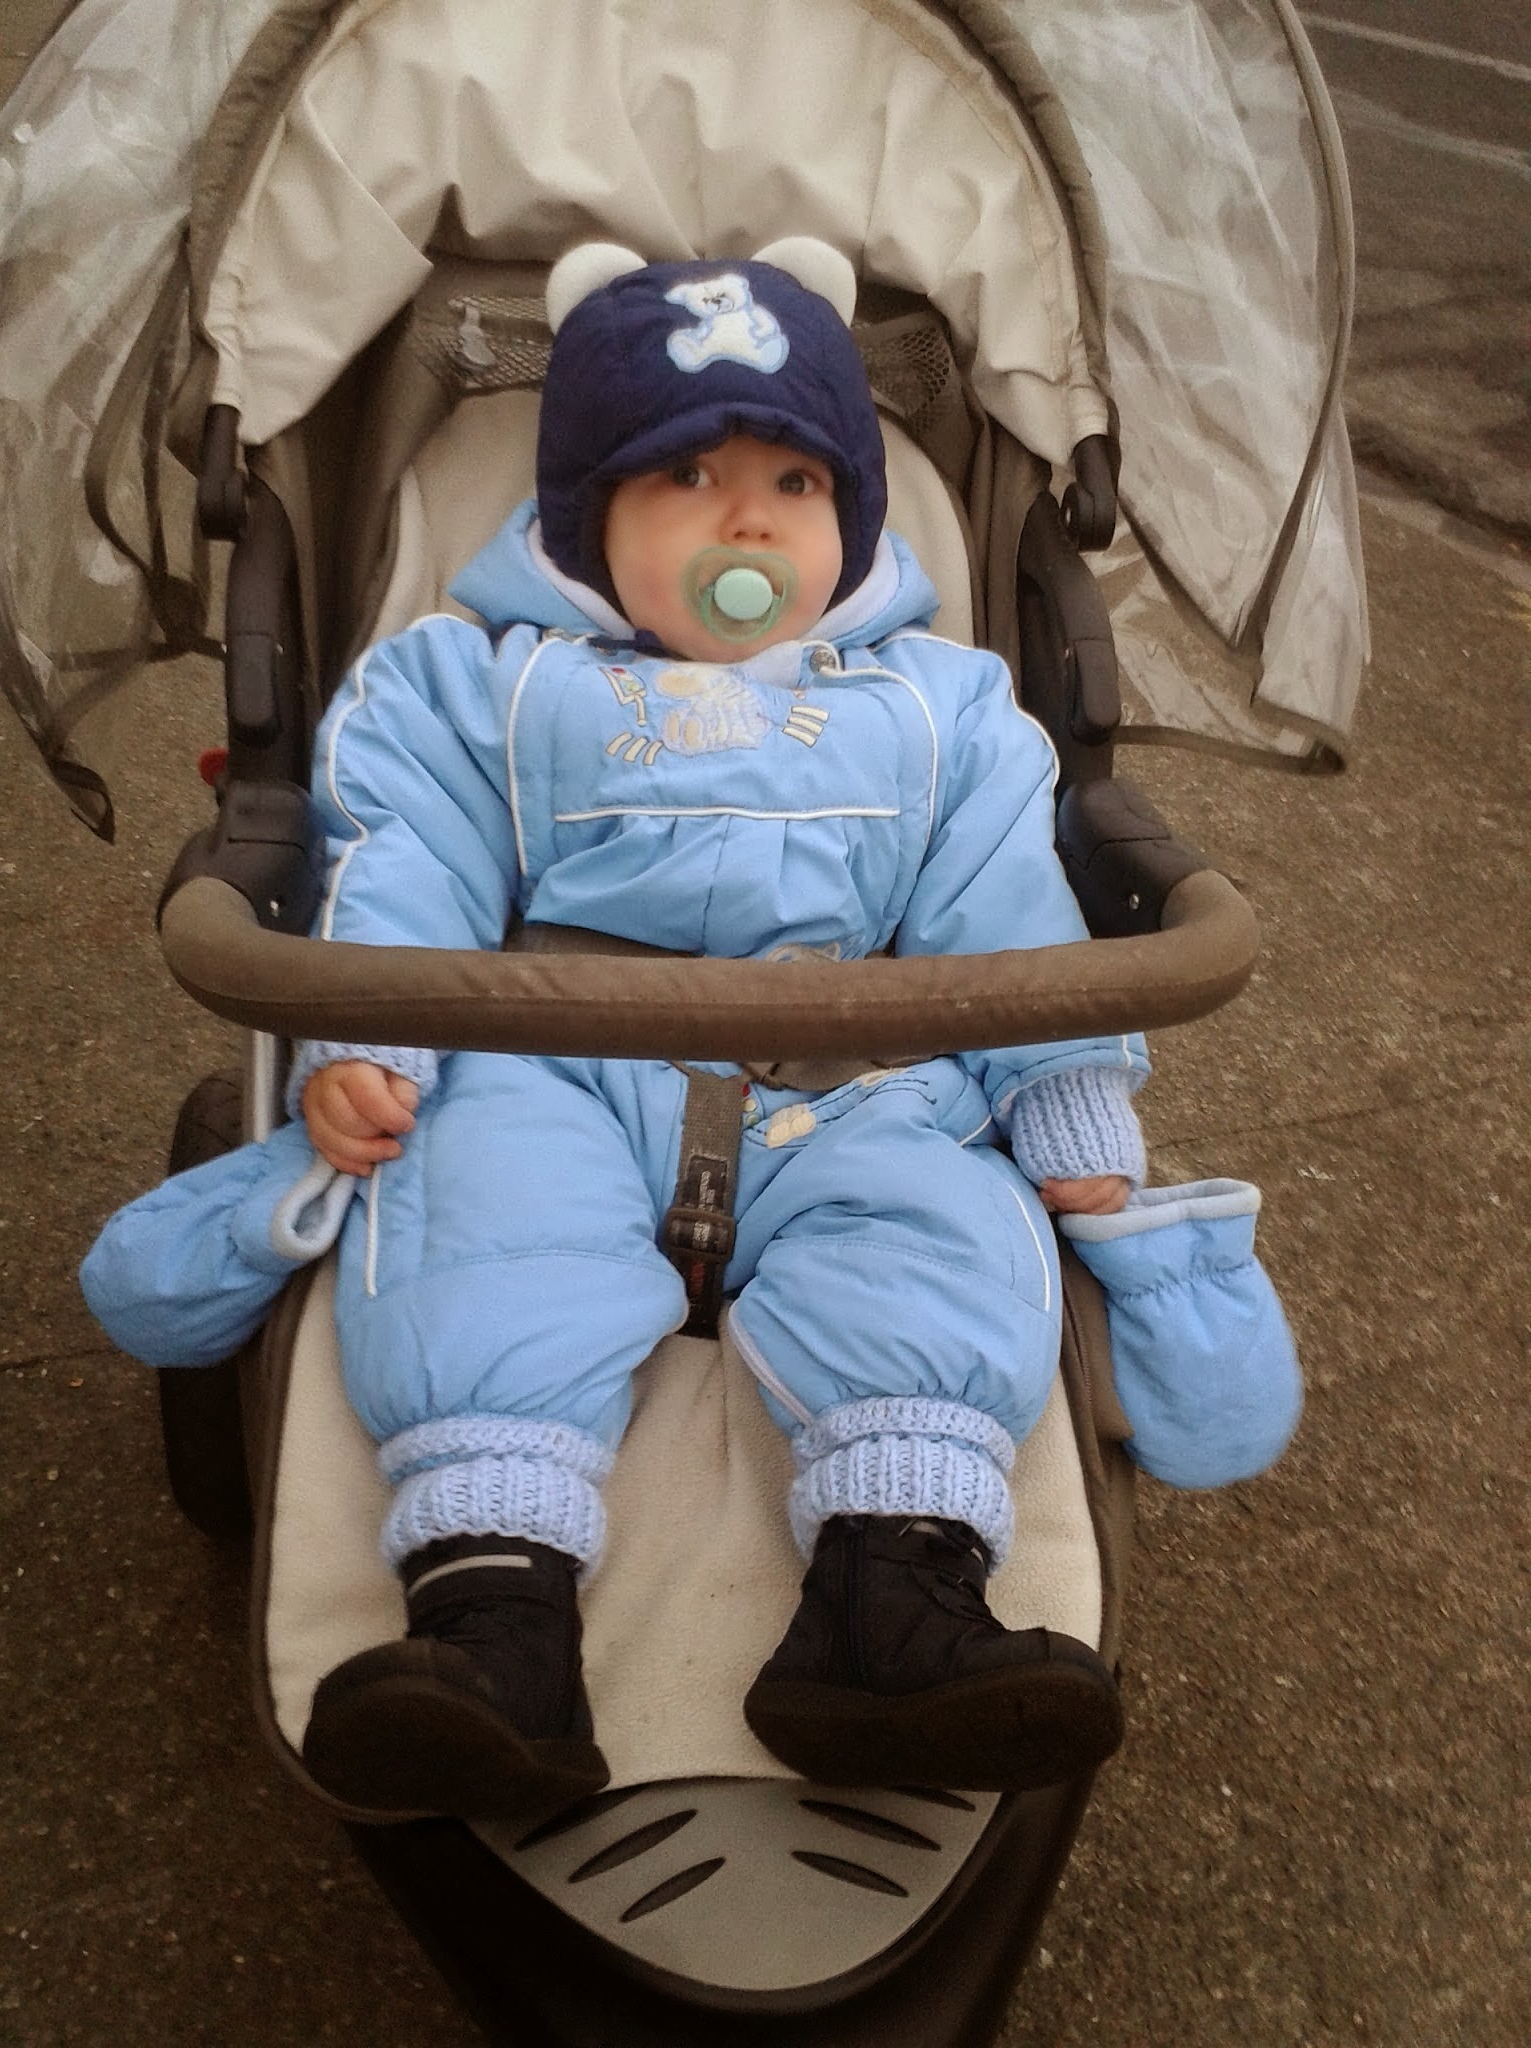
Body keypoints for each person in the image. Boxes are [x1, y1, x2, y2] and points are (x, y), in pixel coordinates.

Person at [267, 236, 1150, 1822]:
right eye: (687, 475)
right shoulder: (485, 685)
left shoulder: (943, 707)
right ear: (584, 518)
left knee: (946, 1229)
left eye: (796, 483)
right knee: (476, 1212)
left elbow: (1011, 912)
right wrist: (372, 1035)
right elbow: (409, 859)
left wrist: (1065, 1100)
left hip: (851, 1080)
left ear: (850, 517)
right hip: (562, 1061)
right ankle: (494, 1623)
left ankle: (893, 1597)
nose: (750, 520)